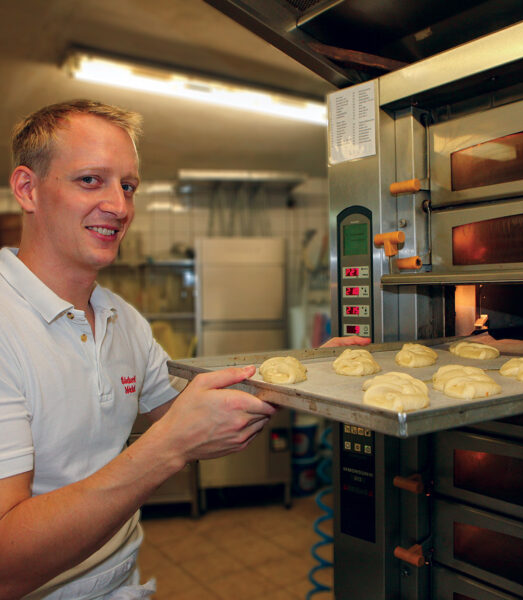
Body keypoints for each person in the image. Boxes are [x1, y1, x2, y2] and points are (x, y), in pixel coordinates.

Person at [0, 99, 369, 599]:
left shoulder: (122, 321)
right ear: (28, 189)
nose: (119, 205)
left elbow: (195, 420)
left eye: (127, 185)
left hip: (120, 584)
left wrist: (304, 376)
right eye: (91, 180)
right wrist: (166, 447)